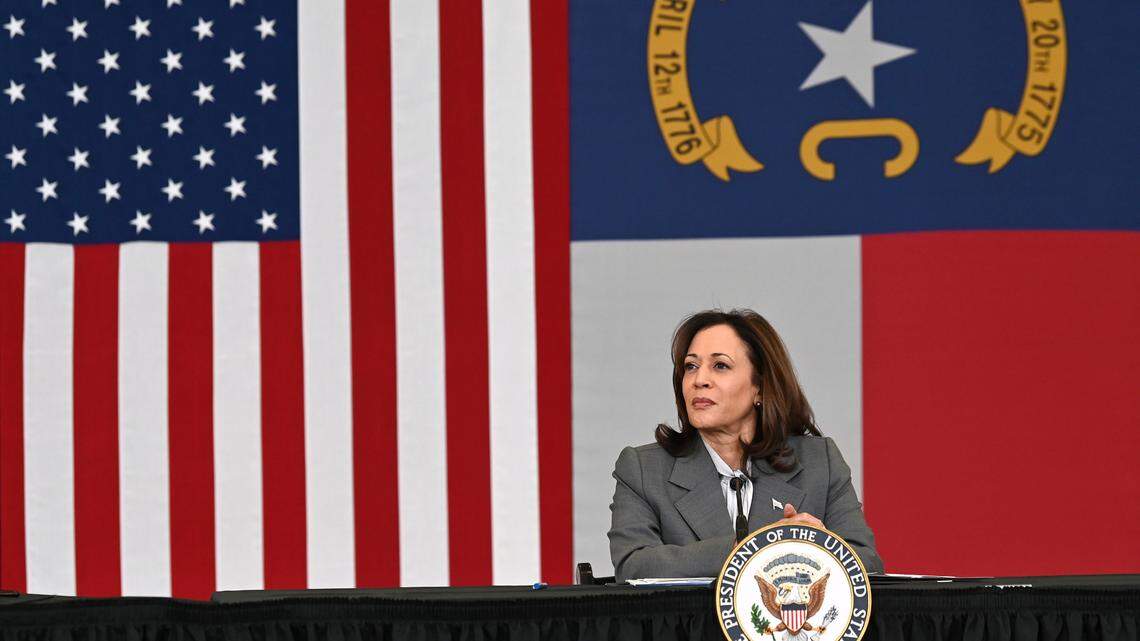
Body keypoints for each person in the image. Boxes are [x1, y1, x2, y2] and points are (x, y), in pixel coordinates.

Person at [608, 309, 884, 581]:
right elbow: (635, 565)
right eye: (690, 366)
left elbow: (867, 562)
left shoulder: (819, 462)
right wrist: (763, 546)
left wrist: (819, 547)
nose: (698, 380)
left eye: (720, 366)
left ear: (760, 388)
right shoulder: (643, 469)